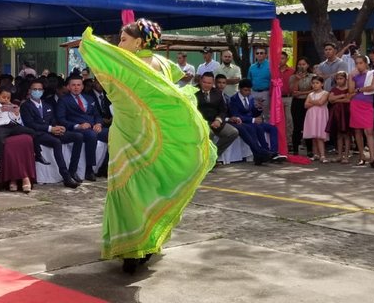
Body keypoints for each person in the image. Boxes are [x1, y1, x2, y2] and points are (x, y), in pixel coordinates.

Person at [79, 19, 216, 274]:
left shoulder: (128, 63)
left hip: (128, 135)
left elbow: (106, 74)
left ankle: (132, 248)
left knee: (129, 189)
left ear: (139, 42)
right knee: (151, 187)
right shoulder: (162, 63)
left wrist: (91, 44)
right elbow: (173, 86)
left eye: (123, 39)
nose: (119, 44)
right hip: (153, 138)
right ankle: (147, 242)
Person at [20, 79, 84, 188]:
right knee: (56, 142)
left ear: (43, 91)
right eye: (34, 89)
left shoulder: (47, 105)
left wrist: (59, 128)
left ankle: (72, 171)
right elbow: (30, 124)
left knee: (78, 136)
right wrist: (50, 129)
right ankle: (66, 177)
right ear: (30, 91)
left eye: (40, 89)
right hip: (38, 134)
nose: (37, 91)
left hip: (52, 131)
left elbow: (53, 120)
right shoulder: (26, 106)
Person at [0, 88, 49, 192]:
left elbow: (18, 120)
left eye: (8, 98)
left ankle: (38, 154)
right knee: (0, 139)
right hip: (0, 126)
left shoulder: (11, 106)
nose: (6, 99)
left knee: (32, 132)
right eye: (3, 97)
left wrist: (16, 113)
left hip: (13, 126)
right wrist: (0, 109)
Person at [55, 75, 108, 181]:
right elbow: (61, 119)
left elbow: (97, 115)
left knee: (113, 133)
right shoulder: (63, 100)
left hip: (94, 127)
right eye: (73, 85)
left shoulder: (89, 98)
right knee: (91, 135)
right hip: (78, 129)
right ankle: (89, 170)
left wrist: (99, 124)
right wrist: (78, 126)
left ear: (82, 86)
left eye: (78, 85)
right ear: (68, 87)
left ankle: (105, 167)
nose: (76, 87)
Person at [228, 79, 286, 164]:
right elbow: (236, 115)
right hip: (245, 123)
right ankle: (266, 153)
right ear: (240, 89)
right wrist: (253, 120)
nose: (248, 92)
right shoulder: (234, 99)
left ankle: (274, 152)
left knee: (273, 128)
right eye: (245, 90)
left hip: (253, 121)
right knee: (257, 128)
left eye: (249, 90)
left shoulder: (250, 98)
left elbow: (253, 112)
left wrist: (259, 108)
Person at [196, 72, 239, 158]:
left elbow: (223, 110)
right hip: (201, 122)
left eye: (209, 83)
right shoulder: (194, 92)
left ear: (213, 83)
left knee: (233, 132)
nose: (206, 85)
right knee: (210, 133)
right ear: (201, 81)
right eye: (204, 82)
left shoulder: (217, 93)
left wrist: (218, 120)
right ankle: (204, 159)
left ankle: (213, 156)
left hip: (216, 121)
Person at [349, 55, 374, 168]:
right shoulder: (354, 75)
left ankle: (372, 157)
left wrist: (359, 90)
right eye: (356, 63)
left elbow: (373, 87)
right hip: (355, 104)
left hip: (367, 105)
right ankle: (362, 156)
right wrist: (350, 76)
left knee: (369, 131)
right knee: (357, 131)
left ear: (366, 63)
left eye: (361, 63)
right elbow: (351, 90)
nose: (358, 65)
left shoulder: (373, 73)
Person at [290, 58, 315, 157]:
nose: (301, 66)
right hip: (297, 103)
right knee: (297, 126)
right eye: (299, 64)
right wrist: (297, 79)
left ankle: (310, 149)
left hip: (308, 101)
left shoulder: (313, 76)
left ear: (308, 65)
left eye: (303, 64)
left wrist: (302, 92)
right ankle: (295, 149)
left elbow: (314, 90)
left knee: (308, 125)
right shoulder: (293, 77)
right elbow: (293, 92)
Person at [303, 76, 330, 163]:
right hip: (311, 115)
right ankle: (316, 154)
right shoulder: (310, 94)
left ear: (322, 84)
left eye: (317, 83)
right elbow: (306, 105)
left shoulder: (325, 93)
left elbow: (321, 102)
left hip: (320, 115)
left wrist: (312, 102)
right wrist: (315, 102)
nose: (315, 85)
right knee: (313, 136)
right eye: (313, 83)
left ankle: (322, 155)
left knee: (320, 136)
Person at [327, 71, 351, 164]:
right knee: (339, 135)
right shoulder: (334, 89)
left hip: (345, 112)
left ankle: (346, 155)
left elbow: (348, 100)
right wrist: (341, 96)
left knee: (346, 134)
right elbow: (330, 100)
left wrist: (336, 99)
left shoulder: (348, 89)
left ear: (345, 79)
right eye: (337, 79)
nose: (339, 81)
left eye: (341, 78)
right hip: (336, 113)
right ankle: (339, 155)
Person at [247, 47, 271, 121]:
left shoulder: (271, 66)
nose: (259, 55)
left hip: (266, 93)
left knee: (266, 114)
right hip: (253, 93)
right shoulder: (252, 67)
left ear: (266, 55)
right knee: (254, 112)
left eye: (261, 53)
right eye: (257, 53)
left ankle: (266, 131)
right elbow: (249, 80)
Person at [278, 51, 295, 139]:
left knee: (289, 119)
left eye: (282, 58)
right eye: (278, 58)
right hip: (277, 98)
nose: (280, 60)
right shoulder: (274, 71)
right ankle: (279, 140)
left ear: (287, 59)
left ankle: (289, 141)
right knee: (278, 119)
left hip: (289, 97)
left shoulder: (292, 71)